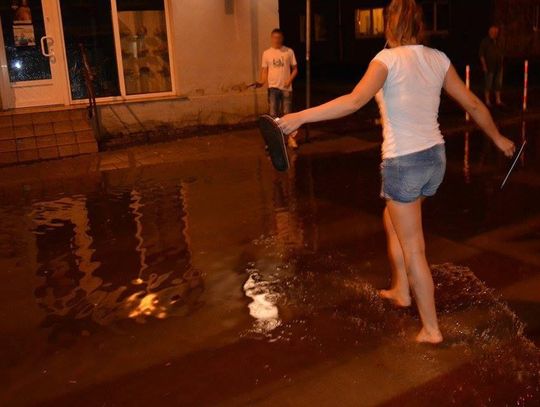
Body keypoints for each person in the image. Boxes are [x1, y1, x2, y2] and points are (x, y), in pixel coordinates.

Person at [277, 0, 515, 344]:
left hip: (404, 161)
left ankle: (431, 329)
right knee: (392, 220)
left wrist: (299, 116)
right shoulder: (437, 59)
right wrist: (498, 137)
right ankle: (401, 289)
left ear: (390, 25)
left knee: (414, 247)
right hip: (435, 159)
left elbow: (353, 101)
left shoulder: (385, 61)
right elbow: (473, 103)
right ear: (420, 25)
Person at [258, 29, 299, 149]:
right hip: (273, 88)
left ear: (282, 38)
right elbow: (265, 71)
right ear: (271, 38)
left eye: (279, 38)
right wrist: (262, 81)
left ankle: (291, 139)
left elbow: (295, 69)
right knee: (273, 115)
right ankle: (274, 140)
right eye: (274, 38)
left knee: (287, 114)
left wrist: (289, 80)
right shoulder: (266, 53)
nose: (277, 40)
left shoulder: (288, 51)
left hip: (286, 88)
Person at [480, 25, 505, 107]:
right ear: (490, 32)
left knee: (498, 84)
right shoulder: (485, 42)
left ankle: (498, 100)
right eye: (494, 32)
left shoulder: (498, 41)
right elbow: (481, 55)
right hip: (489, 67)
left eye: (497, 32)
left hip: (499, 67)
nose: (496, 34)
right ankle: (487, 100)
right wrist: (484, 66)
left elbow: (501, 52)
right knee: (488, 84)